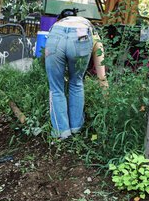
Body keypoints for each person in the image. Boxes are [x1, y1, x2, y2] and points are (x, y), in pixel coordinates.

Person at [44, 8, 108, 140]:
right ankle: (76, 128)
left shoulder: (56, 25)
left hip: (56, 36)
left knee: (56, 88)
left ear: (59, 19)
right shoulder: (91, 30)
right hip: (82, 36)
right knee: (77, 83)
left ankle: (62, 132)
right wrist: (105, 93)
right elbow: (102, 75)